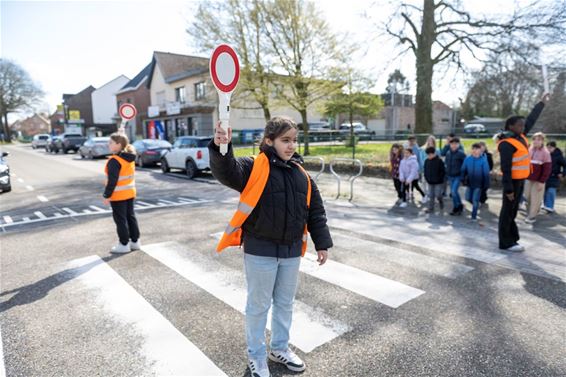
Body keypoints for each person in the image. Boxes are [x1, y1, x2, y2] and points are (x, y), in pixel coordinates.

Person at [209, 116, 332, 377]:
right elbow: (227, 170)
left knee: (285, 303)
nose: (291, 146)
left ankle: (279, 349)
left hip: (290, 251)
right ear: (268, 141)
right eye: (285, 140)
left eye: (294, 140)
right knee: (258, 305)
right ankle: (256, 355)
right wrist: (221, 147)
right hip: (260, 250)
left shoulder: (303, 175)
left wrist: (322, 244)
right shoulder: (255, 166)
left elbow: (316, 213)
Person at [495, 93, 549, 252]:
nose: (523, 127)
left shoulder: (520, 136)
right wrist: (509, 189)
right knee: (507, 212)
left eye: (522, 125)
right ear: (510, 126)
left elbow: (531, 119)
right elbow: (505, 169)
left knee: (512, 211)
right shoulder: (506, 144)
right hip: (511, 183)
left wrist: (541, 103)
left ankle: (512, 239)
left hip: (520, 181)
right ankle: (505, 242)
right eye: (519, 125)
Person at [102, 133, 140, 254]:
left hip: (118, 195)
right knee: (131, 217)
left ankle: (123, 244)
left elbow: (112, 181)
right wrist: (122, 138)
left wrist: (107, 195)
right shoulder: (129, 157)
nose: (108, 145)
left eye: (111, 143)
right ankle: (135, 242)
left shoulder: (115, 161)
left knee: (120, 219)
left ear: (118, 145)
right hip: (130, 192)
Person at [523, 132, 552, 223]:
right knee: (527, 197)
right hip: (528, 178)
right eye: (534, 139)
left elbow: (547, 169)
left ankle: (532, 216)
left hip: (538, 180)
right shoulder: (529, 149)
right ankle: (533, 211)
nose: (536, 141)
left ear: (542, 141)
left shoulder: (545, 153)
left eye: (539, 139)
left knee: (535, 198)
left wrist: (542, 181)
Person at [461, 143, 490, 221]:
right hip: (469, 183)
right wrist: (462, 178)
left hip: (479, 184)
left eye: (477, 149)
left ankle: (474, 216)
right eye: (473, 149)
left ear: (480, 150)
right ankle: (476, 205)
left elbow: (486, 173)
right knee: (467, 198)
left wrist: (486, 184)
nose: (475, 151)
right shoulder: (468, 159)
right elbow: (463, 169)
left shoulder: (483, 160)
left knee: (475, 199)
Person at [445, 137, 466, 215]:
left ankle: (458, 206)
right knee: (453, 192)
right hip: (450, 176)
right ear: (450, 144)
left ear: (458, 145)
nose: (453, 145)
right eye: (452, 144)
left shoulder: (461, 154)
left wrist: (462, 176)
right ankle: (456, 207)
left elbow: (465, 165)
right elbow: (446, 164)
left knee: (454, 191)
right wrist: (446, 173)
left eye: (455, 144)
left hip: (458, 176)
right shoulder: (448, 153)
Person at [543, 141, 566, 213]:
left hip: (554, 176)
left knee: (550, 191)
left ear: (554, 148)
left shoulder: (558, 156)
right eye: (547, 147)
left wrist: (562, 173)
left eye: (551, 147)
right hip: (545, 176)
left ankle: (549, 207)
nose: (549, 149)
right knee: (544, 191)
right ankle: (546, 205)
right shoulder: (544, 154)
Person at [423, 146, 445, 213]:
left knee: (438, 194)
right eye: (428, 155)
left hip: (438, 182)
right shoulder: (426, 161)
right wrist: (426, 178)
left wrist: (440, 179)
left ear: (434, 153)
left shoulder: (439, 161)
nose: (429, 156)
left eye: (430, 154)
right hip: (430, 181)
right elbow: (425, 170)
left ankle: (440, 201)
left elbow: (443, 171)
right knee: (431, 195)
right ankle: (430, 208)